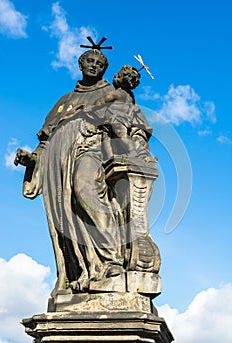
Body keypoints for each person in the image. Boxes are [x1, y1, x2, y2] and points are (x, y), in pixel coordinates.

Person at [15, 46, 160, 295]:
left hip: (91, 150)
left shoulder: (114, 92)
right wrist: (33, 157)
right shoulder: (64, 101)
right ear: (81, 64)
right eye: (89, 61)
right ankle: (82, 273)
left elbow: (132, 122)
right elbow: (45, 140)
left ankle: (112, 263)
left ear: (105, 69)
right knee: (67, 216)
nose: (93, 65)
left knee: (86, 193)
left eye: (99, 63)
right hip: (58, 163)